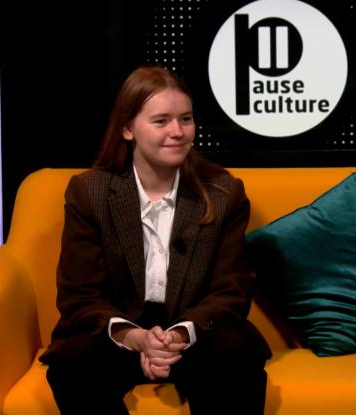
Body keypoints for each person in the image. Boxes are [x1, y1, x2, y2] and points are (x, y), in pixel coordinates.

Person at [39, 65, 271, 415]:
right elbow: (80, 295)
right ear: (127, 128)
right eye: (161, 121)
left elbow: (232, 290)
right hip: (117, 334)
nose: (178, 132)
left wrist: (177, 336)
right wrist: (134, 337)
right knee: (72, 363)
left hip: (195, 334)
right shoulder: (90, 192)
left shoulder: (223, 193)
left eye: (186, 119)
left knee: (237, 350)